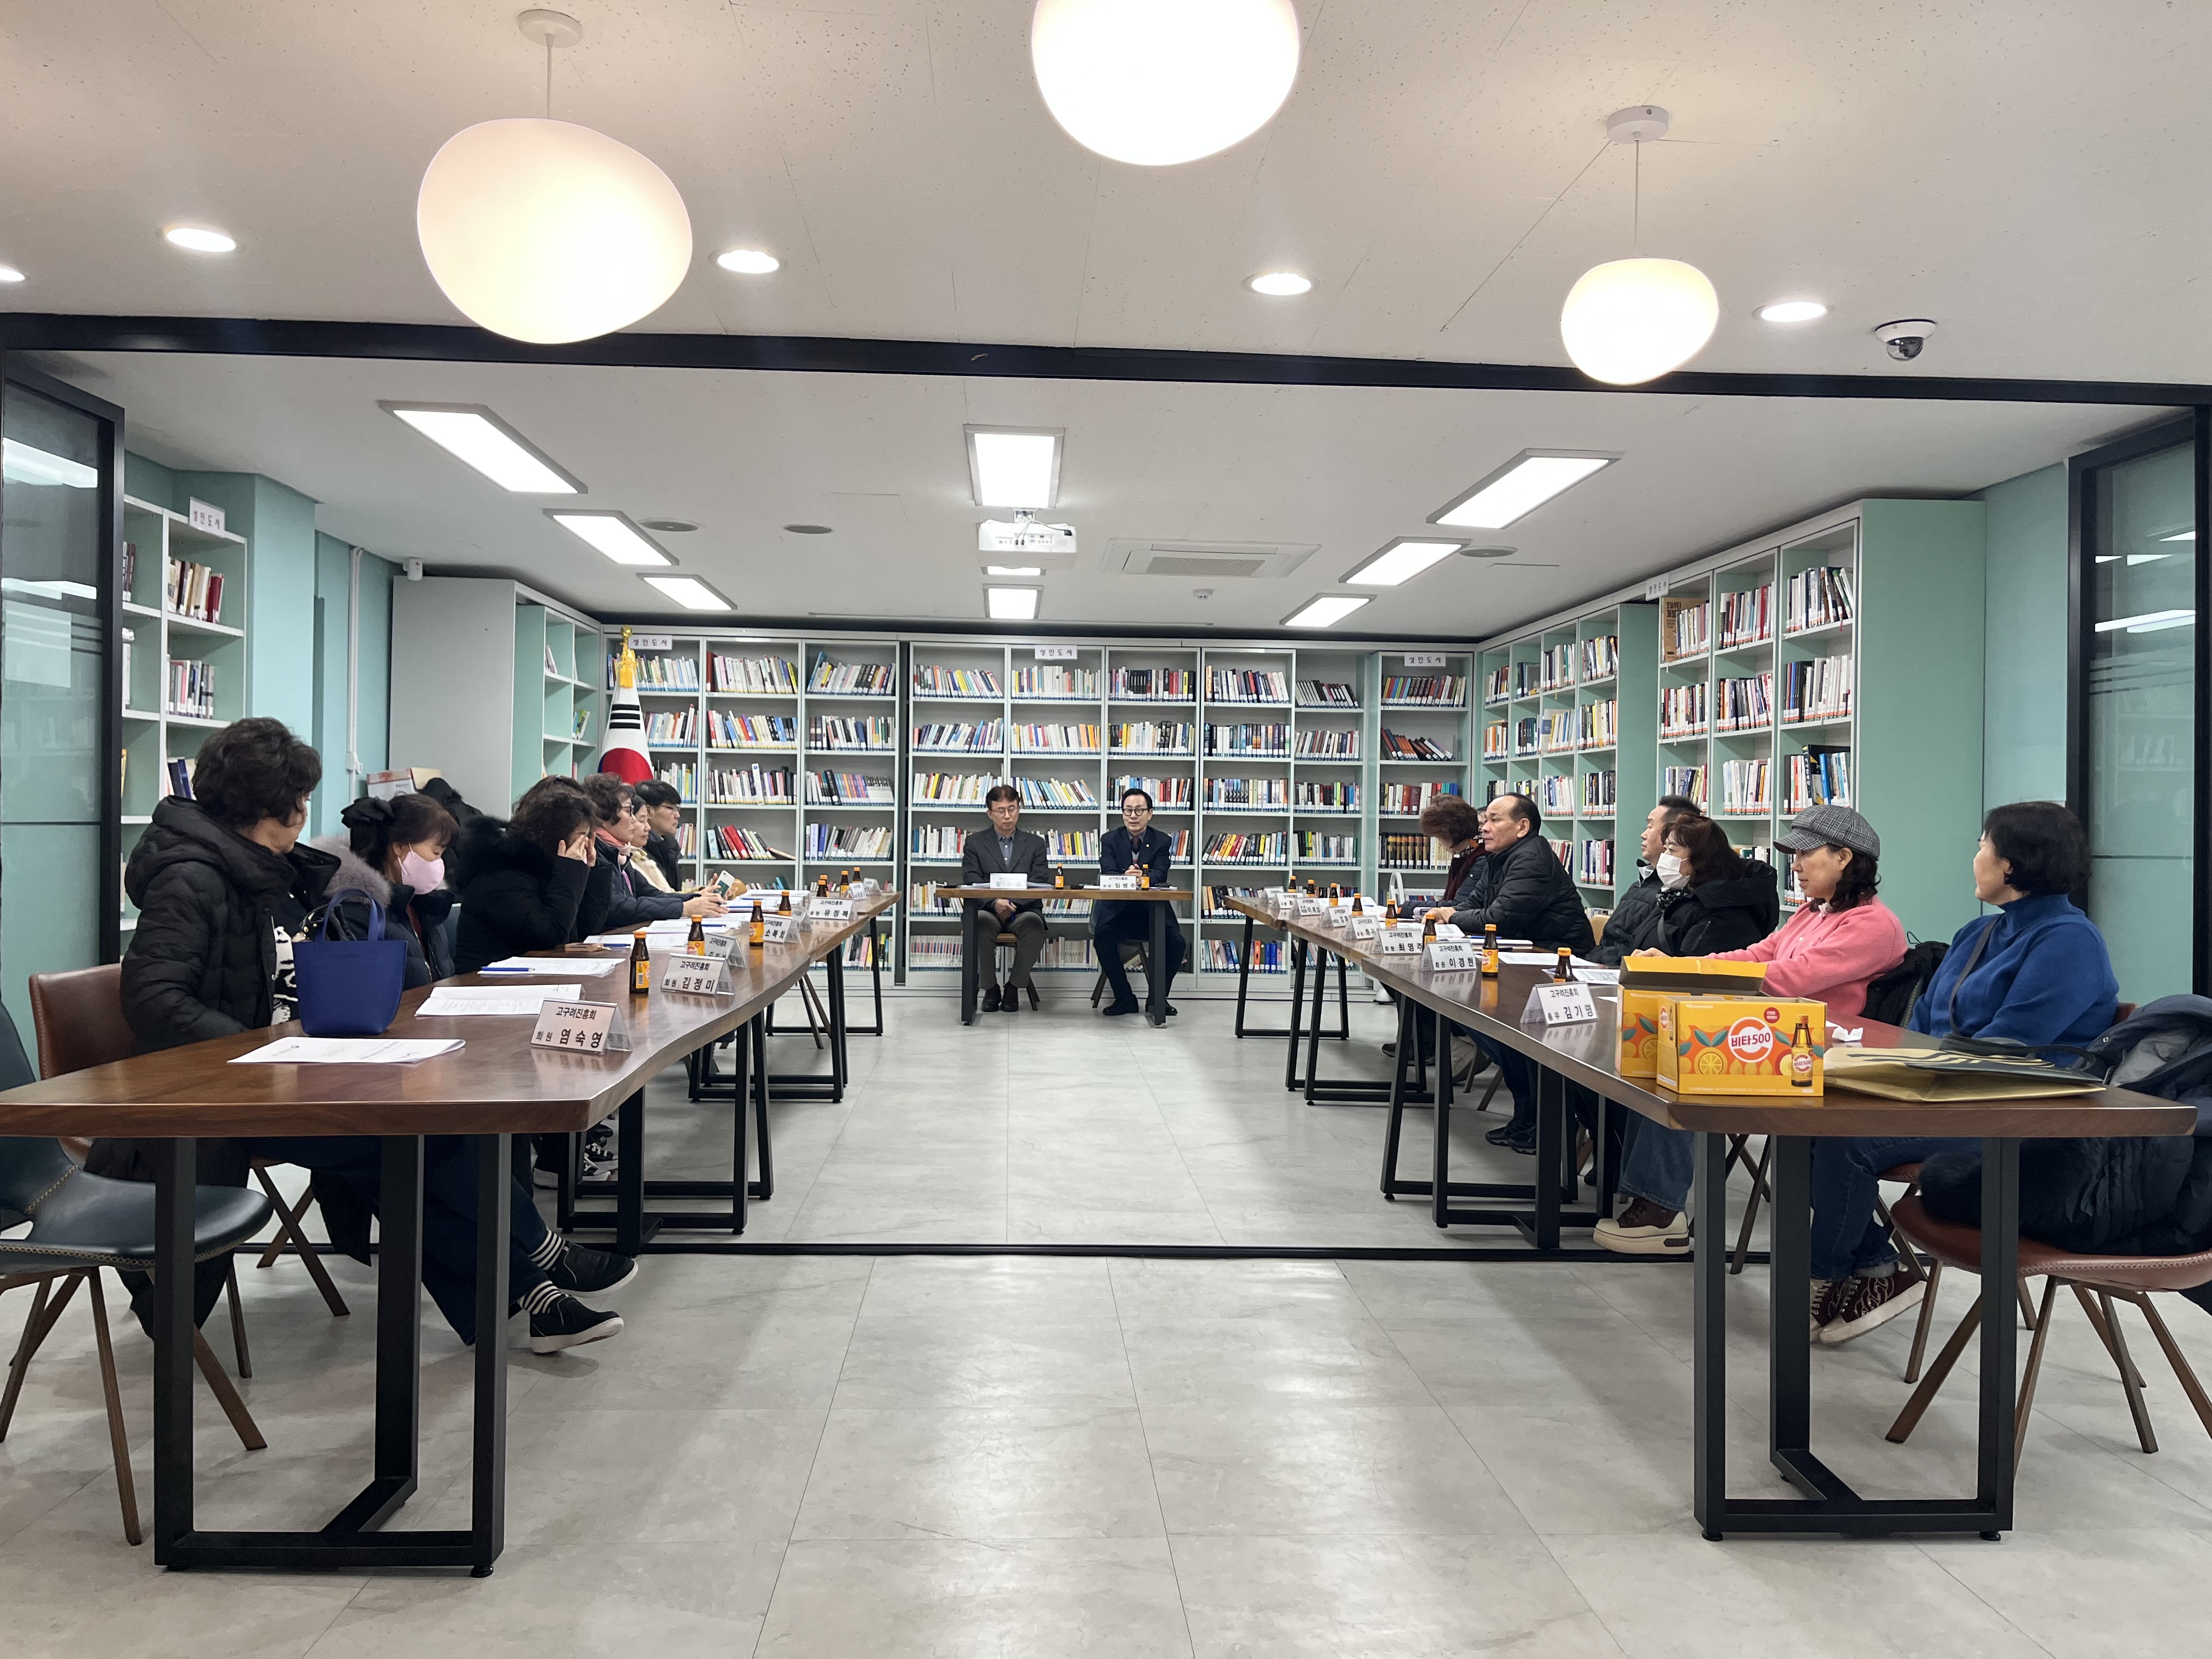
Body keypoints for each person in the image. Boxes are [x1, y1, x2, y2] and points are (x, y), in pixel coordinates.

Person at [97, 720, 632, 1355]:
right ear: (275, 806)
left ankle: (534, 1294)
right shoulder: (193, 877)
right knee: (414, 1139)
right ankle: (541, 1268)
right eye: (300, 799)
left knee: (429, 1134)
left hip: (288, 1071)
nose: (305, 814)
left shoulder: (268, 871)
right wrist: (260, 1053)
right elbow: (155, 999)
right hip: (219, 1093)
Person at [1805, 800, 2119, 1345]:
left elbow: (2011, 1048)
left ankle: (1826, 1279)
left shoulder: (2071, 940)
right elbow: (1923, 1027)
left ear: (2011, 864)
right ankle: (1876, 1268)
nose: (1974, 858)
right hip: (1947, 1091)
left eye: (1982, 846)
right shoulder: (1978, 934)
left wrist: (1914, 1069)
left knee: (1846, 1141)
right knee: (1809, 1116)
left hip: (2017, 1111)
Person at [1597, 803, 1905, 1256]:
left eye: (1806, 855)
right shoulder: (1811, 913)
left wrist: (1687, 973)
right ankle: (1649, 1197)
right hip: (1784, 1044)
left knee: (1689, 1066)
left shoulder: (1873, 924)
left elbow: (1788, 978)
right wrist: (1682, 966)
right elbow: (1757, 955)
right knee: (1661, 1058)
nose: (1795, 866)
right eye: (1794, 856)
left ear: (1844, 857)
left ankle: (1660, 1210)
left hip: (1816, 1058)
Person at [1422, 794, 1593, 1153]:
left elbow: (1498, 918)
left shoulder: (1532, 859)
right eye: (1485, 820)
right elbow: (1473, 906)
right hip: (1522, 961)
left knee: (1501, 1025)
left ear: (1523, 827)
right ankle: (1528, 1115)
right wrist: (1452, 913)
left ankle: (1543, 1121)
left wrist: (1453, 916)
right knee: (1475, 1015)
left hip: (1556, 965)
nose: (1484, 827)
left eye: (1494, 819)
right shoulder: (1498, 858)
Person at [450, 777, 615, 976]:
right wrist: (571, 871)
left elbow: (586, 927)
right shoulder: (501, 872)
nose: (586, 843)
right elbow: (547, 935)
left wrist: (592, 869)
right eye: (581, 835)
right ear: (556, 837)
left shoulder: (550, 867)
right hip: (485, 983)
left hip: (530, 977)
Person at [307, 792, 460, 982]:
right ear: (400, 847)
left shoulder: (425, 907)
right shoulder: (354, 911)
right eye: (436, 852)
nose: (440, 863)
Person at [582, 772, 725, 929]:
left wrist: (696, 898)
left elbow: (652, 894)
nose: (634, 820)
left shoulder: (619, 853)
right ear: (602, 817)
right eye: (629, 811)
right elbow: (618, 907)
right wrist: (684, 908)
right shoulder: (594, 853)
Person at [961, 784, 1051, 1012]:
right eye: (1001, 810)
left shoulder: (1035, 844)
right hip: (988, 910)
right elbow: (971, 880)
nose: (1007, 816)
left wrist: (1012, 904)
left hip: (1024, 910)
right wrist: (995, 903)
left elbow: (1040, 880)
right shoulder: (975, 843)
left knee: (1035, 926)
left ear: (1019, 809)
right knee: (978, 923)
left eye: (1012, 809)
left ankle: (1014, 986)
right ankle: (990, 988)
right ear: (989, 813)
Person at [1094, 786, 1182, 1017]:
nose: (1133, 816)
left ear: (1150, 814)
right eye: (1128, 810)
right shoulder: (1110, 840)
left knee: (1177, 943)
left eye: (1139, 810)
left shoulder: (1162, 840)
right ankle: (1125, 998)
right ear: (1123, 813)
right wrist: (1126, 877)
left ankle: (1157, 998)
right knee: (1102, 939)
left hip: (1152, 913)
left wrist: (1143, 877)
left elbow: (1161, 873)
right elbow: (1108, 872)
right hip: (1119, 913)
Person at [1592, 794, 1709, 966]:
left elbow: (1635, 949)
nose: (1643, 835)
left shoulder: (1671, 893)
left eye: (1650, 827)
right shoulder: (1642, 883)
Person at [1652, 815, 1781, 956]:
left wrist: (1663, 963)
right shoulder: (1673, 897)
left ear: (1701, 859)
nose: (1665, 857)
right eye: (1665, 849)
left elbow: (1696, 966)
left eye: (1672, 850)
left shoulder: (1726, 918)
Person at [631, 778, 689, 890]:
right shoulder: (637, 849)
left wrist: (702, 892)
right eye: (672, 808)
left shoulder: (669, 846)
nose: (678, 815)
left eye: (677, 809)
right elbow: (660, 896)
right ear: (648, 811)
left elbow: (673, 891)